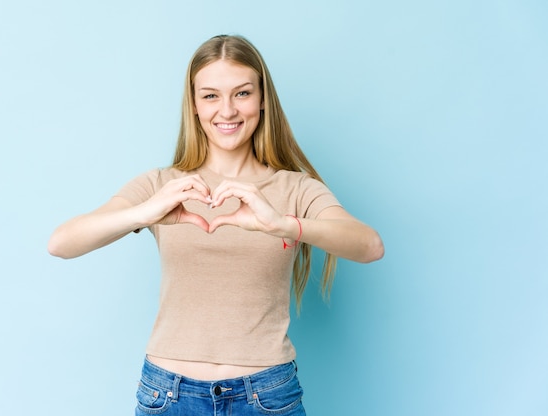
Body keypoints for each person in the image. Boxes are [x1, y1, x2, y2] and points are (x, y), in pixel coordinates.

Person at [48, 34, 384, 416]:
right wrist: (144, 213)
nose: (227, 110)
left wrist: (284, 224)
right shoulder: (161, 186)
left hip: (266, 395)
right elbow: (61, 243)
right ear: (193, 105)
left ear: (262, 101)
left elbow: (369, 245)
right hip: (168, 396)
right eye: (210, 95)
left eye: (242, 93)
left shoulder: (295, 187)